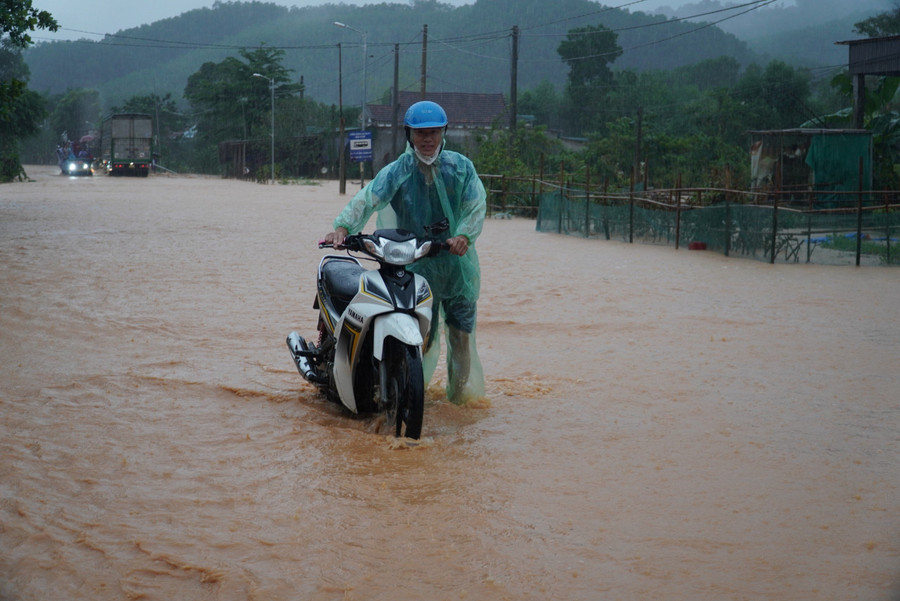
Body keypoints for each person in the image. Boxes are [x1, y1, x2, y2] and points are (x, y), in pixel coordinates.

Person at [323, 100, 486, 405]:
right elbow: (368, 198)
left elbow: (476, 205)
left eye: (434, 132)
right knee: (419, 337)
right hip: (417, 266)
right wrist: (343, 226)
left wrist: (464, 235)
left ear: (443, 133)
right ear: (410, 135)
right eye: (421, 133)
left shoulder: (461, 168)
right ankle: (410, 396)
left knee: (461, 338)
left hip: (458, 267)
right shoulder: (398, 171)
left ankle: (461, 404)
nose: (428, 139)